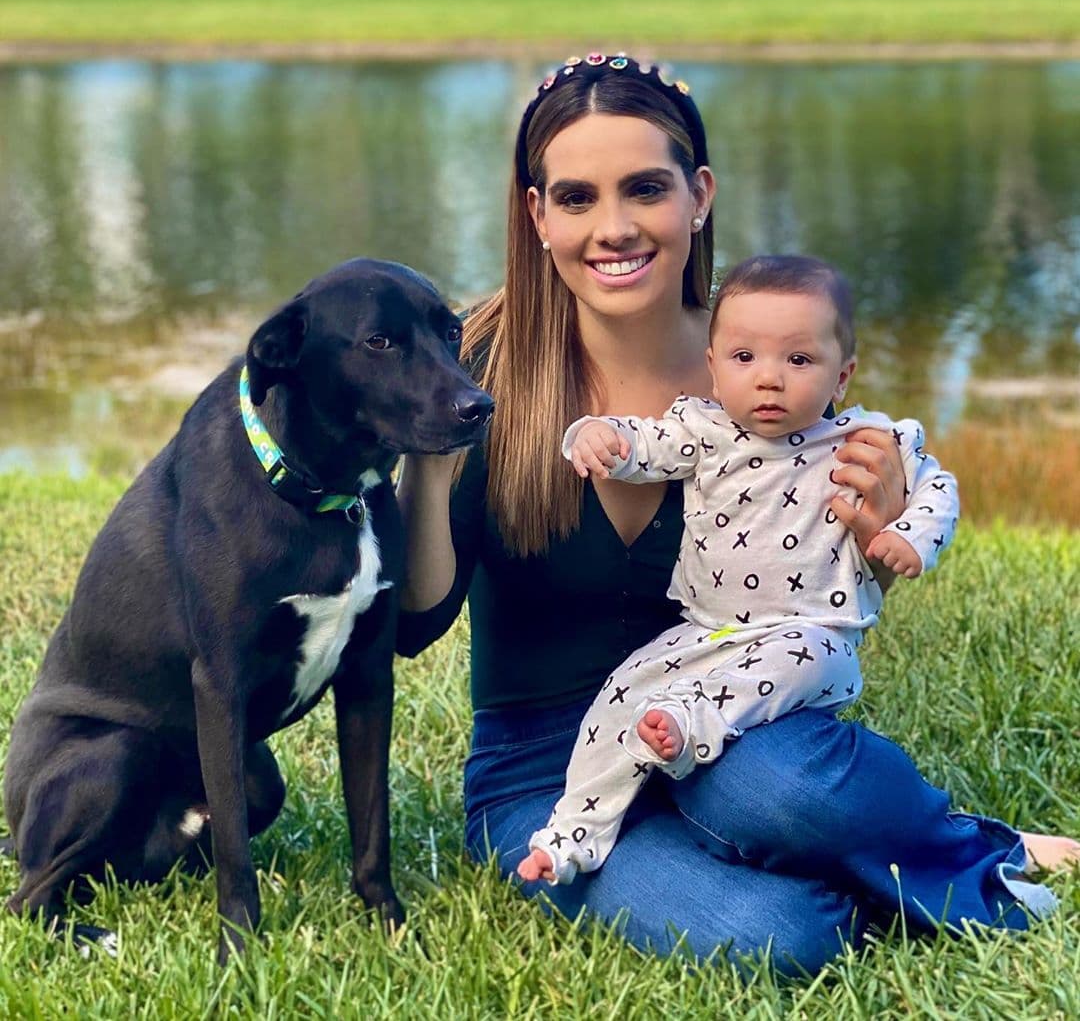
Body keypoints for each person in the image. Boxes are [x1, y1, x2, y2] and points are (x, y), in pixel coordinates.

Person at [396, 53, 1076, 971]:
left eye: (646, 189)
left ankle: (954, 850)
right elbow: (415, 623)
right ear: (536, 214)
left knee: (789, 795)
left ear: (699, 194)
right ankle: (875, 871)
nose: (615, 227)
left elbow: (822, 586)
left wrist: (880, 534)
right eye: (576, 197)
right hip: (546, 764)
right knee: (783, 938)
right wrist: (426, 471)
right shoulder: (478, 364)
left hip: (728, 713)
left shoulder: (763, 355)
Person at [517, 253, 960, 886]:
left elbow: (937, 487)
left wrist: (911, 537)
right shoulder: (706, 429)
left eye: (799, 360)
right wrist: (596, 436)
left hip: (812, 635)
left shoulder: (865, 438)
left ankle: (694, 722)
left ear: (843, 376)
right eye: (745, 358)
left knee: (795, 661)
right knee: (621, 693)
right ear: (714, 366)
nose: (770, 380)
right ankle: (572, 837)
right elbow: (641, 445)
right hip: (709, 632)